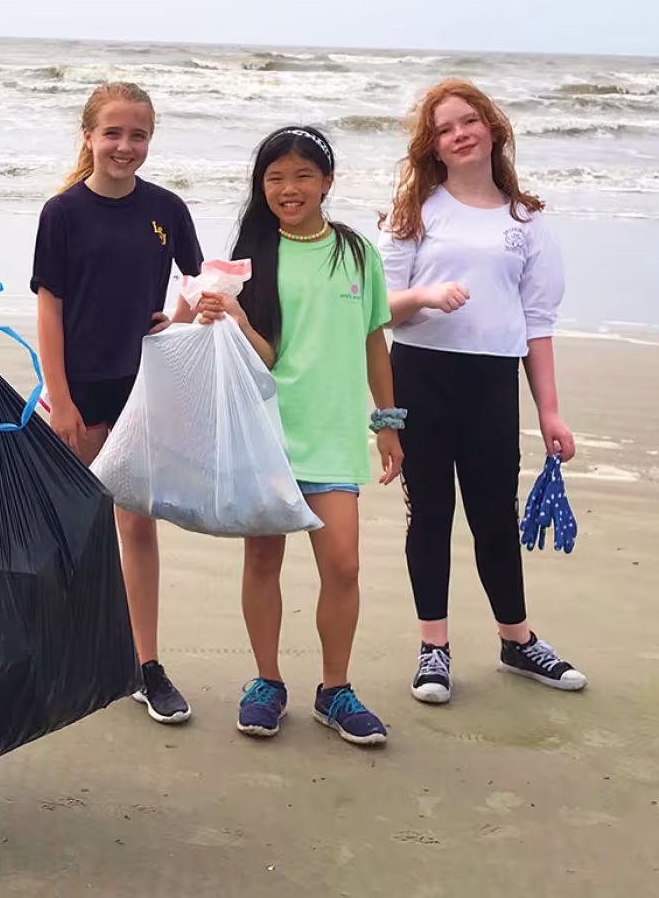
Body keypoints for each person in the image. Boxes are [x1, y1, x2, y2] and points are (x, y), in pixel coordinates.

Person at [379, 79, 585, 705]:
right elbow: (378, 309)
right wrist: (423, 297)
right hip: (419, 374)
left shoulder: (528, 222)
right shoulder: (414, 212)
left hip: (493, 382)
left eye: (469, 121)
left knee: (494, 514)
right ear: (433, 146)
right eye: (444, 129)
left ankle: (516, 641)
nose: (459, 134)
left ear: (492, 129)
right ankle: (433, 650)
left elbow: (537, 323)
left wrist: (549, 409)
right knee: (430, 516)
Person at [196, 126, 401, 747]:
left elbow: (374, 342)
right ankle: (266, 681)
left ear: (327, 183)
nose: (289, 188)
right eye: (275, 177)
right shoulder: (252, 257)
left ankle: (334, 689)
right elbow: (264, 358)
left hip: (334, 434)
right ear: (262, 187)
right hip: (267, 433)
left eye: (303, 176)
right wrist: (231, 315)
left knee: (343, 564)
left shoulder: (357, 254)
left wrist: (388, 422)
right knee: (263, 559)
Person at [30, 82, 204, 725]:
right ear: (89, 137)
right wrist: (63, 399)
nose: (125, 146)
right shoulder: (64, 213)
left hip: (141, 388)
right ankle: (61, 651)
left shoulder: (167, 208)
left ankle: (144, 665)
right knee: (71, 522)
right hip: (78, 389)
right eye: (113, 133)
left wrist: (177, 320)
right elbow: (51, 306)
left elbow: (200, 278)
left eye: (138, 135)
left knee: (135, 524)